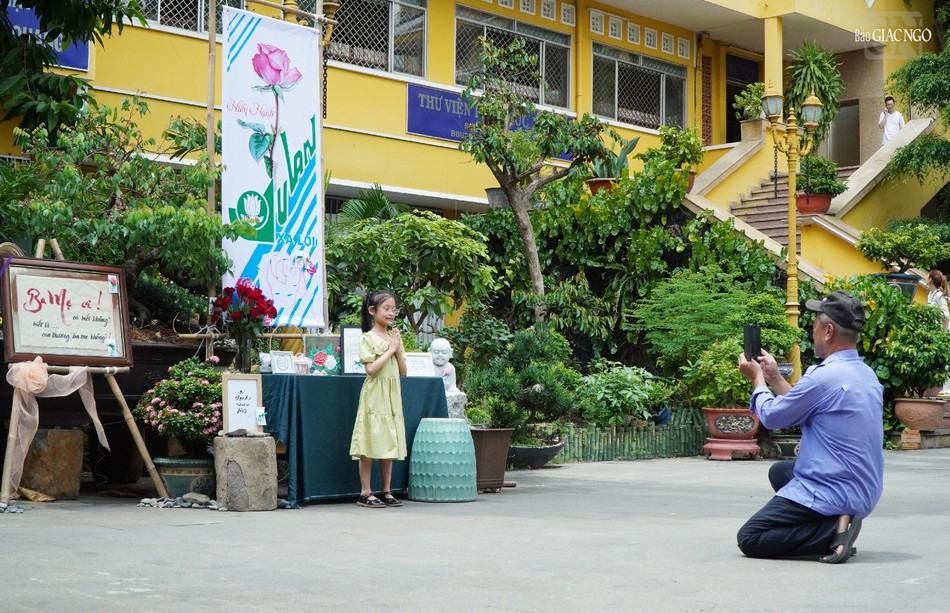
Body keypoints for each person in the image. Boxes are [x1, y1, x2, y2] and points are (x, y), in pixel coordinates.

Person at [736, 290, 884, 564]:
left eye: (814, 326)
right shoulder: (866, 373)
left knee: (751, 537)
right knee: (780, 472)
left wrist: (757, 381)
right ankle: (839, 520)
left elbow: (772, 417)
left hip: (834, 487)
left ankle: (832, 532)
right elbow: (806, 407)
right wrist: (774, 379)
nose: (811, 333)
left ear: (828, 331)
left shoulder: (823, 376)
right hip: (863, 487)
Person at [349, 290, 408, 508]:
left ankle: (386, 489)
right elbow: (371, 369)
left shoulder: (393, 338)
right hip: (375, 396)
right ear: (372, 311)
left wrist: (397, 349)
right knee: (370, 440)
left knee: (388, 440)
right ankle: (365, 492)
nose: (391, 313)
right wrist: (390, 349)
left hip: (392, 395)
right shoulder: (368, 338)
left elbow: (403, 372)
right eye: (387, 308)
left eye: (394, 309)